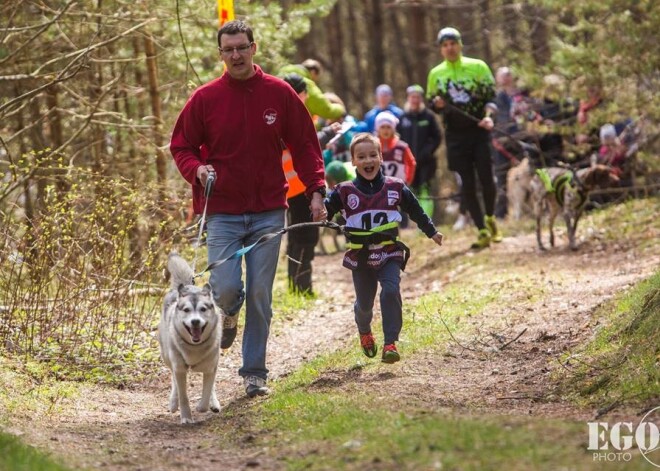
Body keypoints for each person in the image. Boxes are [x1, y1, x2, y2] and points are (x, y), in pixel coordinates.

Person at [169, 20, 327, 398]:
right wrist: (197, 169)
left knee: (260, 294)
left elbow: (305, 144)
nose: (236, 55)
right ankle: (229, 315)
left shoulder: (279, 93)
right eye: (229, 50)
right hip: (222, 211)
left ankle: (254, 373)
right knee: (223, 290)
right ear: (221, 54)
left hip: (268, 210)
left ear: (254, 48)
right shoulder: (205, 98)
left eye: (242, 47)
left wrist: (317, 190)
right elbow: (181, 147)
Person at [316, 133, 443, 363]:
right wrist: (319, 210)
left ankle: (390, 343)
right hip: (361, 256)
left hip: (389, 252)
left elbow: (415, 210)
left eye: (373, 155)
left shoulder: (396, 187)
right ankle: (364, 330)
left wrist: (431, 231)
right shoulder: (344, 191)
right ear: (353, 161)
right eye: (361, 157)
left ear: (381, 157)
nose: (368, 161)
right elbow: (325, 211)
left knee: (391, 290)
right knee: (364, 305)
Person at [426, 26, 502, 249]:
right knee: (466, 183)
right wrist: (437, 105)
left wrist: (488, 117)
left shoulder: (478, 67)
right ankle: (481, 230)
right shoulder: (436, 74)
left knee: (487, 179)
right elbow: (433, 103)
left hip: (479, 131)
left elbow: (492, 97)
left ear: (460, 44)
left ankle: (490, 217)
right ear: (441, 49)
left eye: (453, 43)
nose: (449, 48)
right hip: (455, 135)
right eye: (445, 45)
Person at [282, 73, 339, 296]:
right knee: (305, 237)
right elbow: (301, 144)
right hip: (298, 187)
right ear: (303, 94)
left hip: (294, 186)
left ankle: (297, 287)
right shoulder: (289, 115)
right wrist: (326, 134)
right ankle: (301, 288)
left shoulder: (297, 114)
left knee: (298, 237)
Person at [397, 84, 442, 217]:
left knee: (425, 191)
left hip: (426, 162)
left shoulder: (428, 117)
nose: (415, 100)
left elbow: (437, 136)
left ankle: (426, 220)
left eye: (417, 97)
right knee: (410, 192)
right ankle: (414, 221)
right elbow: (397, 137)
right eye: (412, 97)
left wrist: (428, 151)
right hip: (408, 163)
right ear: (408, 98)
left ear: (421, 99)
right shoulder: (403, 117)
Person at [491, 66, 522, 219]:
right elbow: (490, 120)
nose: (505, 78)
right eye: (502, 75)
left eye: (508, 75)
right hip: (500, 142)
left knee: (524, 175)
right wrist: (493, 139)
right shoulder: (494, 98)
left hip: (520, 140)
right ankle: (500, 214)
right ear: (497, 79)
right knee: (501, 179)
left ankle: (522, 211)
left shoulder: (519, 96)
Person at [278, 59, 346, 123]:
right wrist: (341, 109)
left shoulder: (279, 73)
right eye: (316, 77)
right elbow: (326, 110)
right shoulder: (307, 85)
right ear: (313, 72)